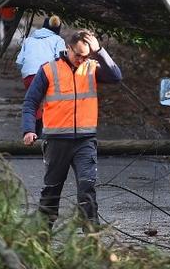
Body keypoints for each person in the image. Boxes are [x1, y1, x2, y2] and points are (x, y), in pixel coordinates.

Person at [21, 30, 122, 228]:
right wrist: (28, 129)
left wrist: (99, 51)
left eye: (85, 55)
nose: (81, 59)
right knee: (52, 190)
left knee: (87, 188)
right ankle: (41, 237)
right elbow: (30, 102)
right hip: (56, 141)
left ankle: (92, 239)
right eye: (78, 54)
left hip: (85, 141)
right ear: (68, 48)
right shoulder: (49, 70)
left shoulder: (92, 67)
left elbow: (116, 77)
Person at [16, 15, 65, 136]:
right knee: (49, 104)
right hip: (48, 74)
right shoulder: (58, 40)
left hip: (29, 76)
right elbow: (61, 60)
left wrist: (27, 71)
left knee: (34, 103)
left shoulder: (29, 40)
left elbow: (19, 62)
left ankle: (32, 133)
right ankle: (46, 133)